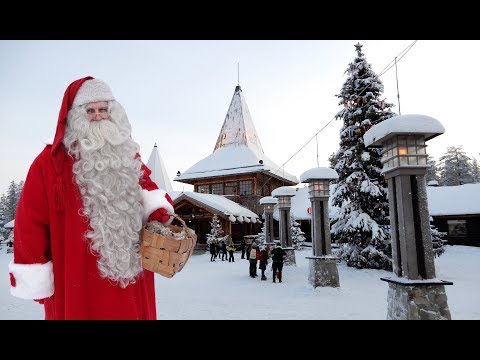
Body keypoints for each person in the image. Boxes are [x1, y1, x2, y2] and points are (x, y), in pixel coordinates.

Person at [8, 77, 175, 320]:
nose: (98, 116)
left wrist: (157, 209)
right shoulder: (48, 163)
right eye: (90, 110)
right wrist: (35, 271)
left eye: (103, 110)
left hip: (130, 275)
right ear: (75, 116)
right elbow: (30, 222)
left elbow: (147, 187)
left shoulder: (127, 154)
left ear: (113, 113)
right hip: (77, 280)